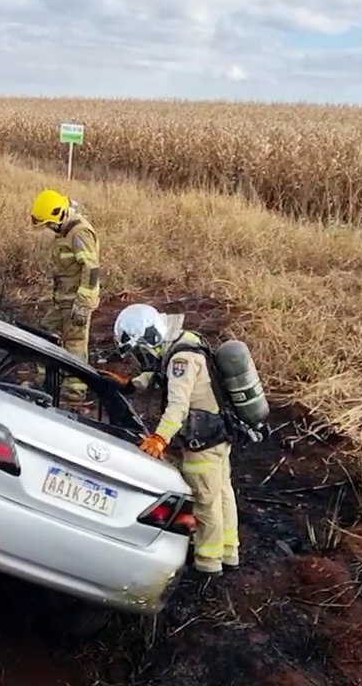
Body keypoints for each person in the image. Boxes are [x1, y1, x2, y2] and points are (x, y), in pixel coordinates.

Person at [105, 303, 243, 578]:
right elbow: (158, 372)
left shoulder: (183, 360)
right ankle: (228, 552)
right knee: (221, 492)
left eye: (140, 350)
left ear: (150, 338)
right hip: (216, 434)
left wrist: (159, 438)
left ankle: (208, 562)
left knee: (205, 501)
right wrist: (131, 384)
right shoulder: (181, 344)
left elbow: (178, 405)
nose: (140, 357)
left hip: (202, 440)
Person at [29, 188, 101, 402]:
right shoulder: (64, 232)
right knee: (44, 334)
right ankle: (44, 381)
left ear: (60, 214)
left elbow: (91, 269)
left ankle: (74, 395)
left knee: (75, 344)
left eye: (49, 223)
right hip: (62, 301)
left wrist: (83, 304)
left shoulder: (80, 233)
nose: (49, 228)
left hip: (75, 302)